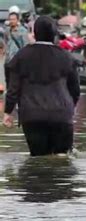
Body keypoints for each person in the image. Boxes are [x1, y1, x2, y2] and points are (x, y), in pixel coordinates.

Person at [2, 16, 80, 156]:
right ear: (55, 33)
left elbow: (13, 89)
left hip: (32, 116)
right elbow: (75, 90)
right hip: (61, 115)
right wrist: (70, 108)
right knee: (62, 160)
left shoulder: (21, 56)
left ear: (34, 33)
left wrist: (8, 112)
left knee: (38, 160)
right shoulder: (66, 57)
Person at [3, 11, 29, 88]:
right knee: (8, 80)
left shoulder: (23, 31)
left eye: (13, 19)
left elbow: (25, 46)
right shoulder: (7, 31)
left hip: (17, 60)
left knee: (16, 81)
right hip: (8, 60)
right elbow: (6, 42)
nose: (12, 21)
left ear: (17, 20)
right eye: (10, 19)